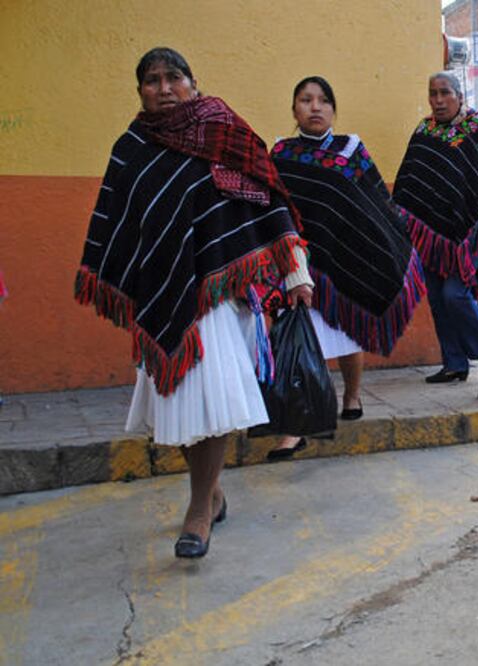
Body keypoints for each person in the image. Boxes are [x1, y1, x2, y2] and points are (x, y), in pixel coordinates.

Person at [75, 47, 313, 557]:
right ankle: (212, 492)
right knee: (180, 407)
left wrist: (296, 272)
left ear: (193, 82)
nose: (163, 88)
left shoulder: (224, 130)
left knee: (210, 402)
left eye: (173, 77)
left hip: (219, 294)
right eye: (152, 80)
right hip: (162, 294)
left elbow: (269, 197)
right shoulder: (132, 146)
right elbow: (119, 220)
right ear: (140, 90)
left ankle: (198, 511)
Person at [266, 76, 426, 459]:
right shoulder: (280, 153)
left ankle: (352, 394)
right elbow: (273, 207)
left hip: (350, 255)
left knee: (348, 334)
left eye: (323, 100)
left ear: (334, 109)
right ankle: (294, 427)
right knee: (302, 341)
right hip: (300, 261)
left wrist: (383, 244)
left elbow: (374, 203)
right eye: (305, 100)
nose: (315, 107)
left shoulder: (350, 149)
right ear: (294, 110)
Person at [392, 73, 478, 383]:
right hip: (429, 233)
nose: (437, 100)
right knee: (436, 296)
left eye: (445, 93)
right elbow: (411, 178)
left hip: (469, 230)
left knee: (455, 294)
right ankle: (454, 363)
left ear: (460, 96)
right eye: (433, 93)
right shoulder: (425, 129)